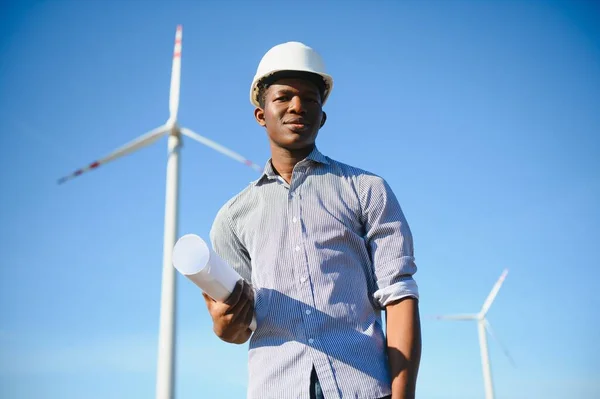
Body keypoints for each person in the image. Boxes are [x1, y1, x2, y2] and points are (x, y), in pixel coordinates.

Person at [202, 41, 421, 399]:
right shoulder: (231, 219)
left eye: (310, 98)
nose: (297, 106)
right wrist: (225, 327)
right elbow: (240, 326)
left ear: (323, 116)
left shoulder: (367, 190)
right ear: (261, 114)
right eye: (283, 96)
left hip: (363, 388)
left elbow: (399, 297)